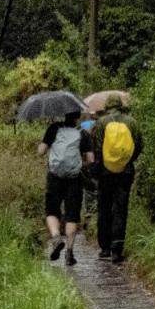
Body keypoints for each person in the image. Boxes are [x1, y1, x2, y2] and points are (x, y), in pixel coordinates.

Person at [38, 110, 93, 266]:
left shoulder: (54, 129)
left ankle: (56, 237)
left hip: (54, 177)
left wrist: (46, 146)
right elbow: (90, 159)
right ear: (77, 118)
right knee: (72, 215)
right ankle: (69, 252)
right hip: (74, 179)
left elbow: (40, 152)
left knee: (51, 211)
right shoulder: (82, 134)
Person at [93, 94, 142, 262]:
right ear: (121, 105)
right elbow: (138, 146)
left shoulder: (100, 123)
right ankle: (117, 250)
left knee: (104, 208)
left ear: (107, 106)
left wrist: (98, 168)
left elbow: (97, 148)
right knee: (120, 209)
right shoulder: (132, 122)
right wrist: (127, 162)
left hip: (105, 173)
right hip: (125, 172)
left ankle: (105, 248)